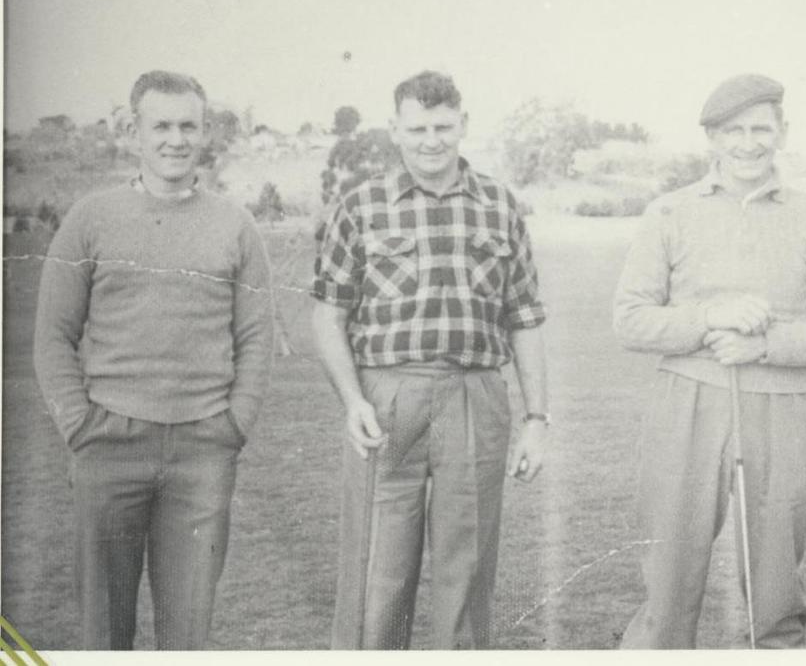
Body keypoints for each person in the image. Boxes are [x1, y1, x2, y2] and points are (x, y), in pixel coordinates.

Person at [613, 73, 806, 648]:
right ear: (711, 138)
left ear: (782, 132)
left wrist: (765, 346)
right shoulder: (670, 212)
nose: (748, 143)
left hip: (782, 407)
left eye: (761, 129)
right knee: (669, 590)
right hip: (686, 402)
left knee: (775, 595)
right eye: (733, 131)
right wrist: (709, 315)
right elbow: (630, 320)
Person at [33, 70, 274, 649]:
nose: (175, 139)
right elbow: (52, 335)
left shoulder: (235, 223)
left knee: (187, 631)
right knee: (104, 630)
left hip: (202, 449)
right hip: (109, 445)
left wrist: (232, 425)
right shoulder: (90, 218)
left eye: (188, 125)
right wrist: (81, 425)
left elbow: (257, 337)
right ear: (133, 131)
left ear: (204, 132)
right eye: (160, 125)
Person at [312, 70, 550, 650]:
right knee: (378, 568)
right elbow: (327, 314)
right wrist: (352, 402)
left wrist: (537, 419)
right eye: (417, 128)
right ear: (395, 130)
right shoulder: (360, 205)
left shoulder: (499, 204)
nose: (431, 140)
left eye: (443, 126)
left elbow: (525, 318)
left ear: (463, 124)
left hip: (475, 393)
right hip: (388, 397)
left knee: (465, 568)